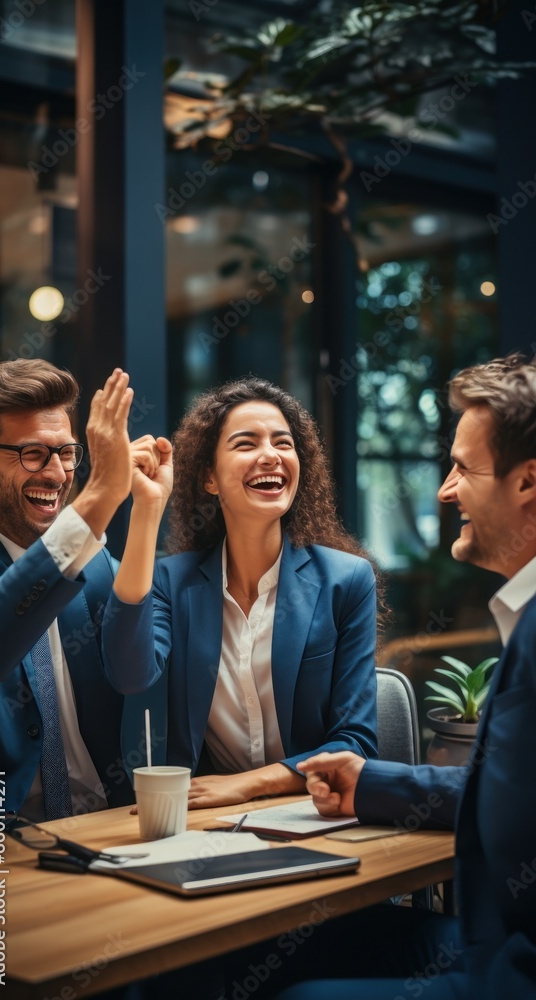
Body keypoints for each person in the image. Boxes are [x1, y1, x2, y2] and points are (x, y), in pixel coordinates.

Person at [274, 353, 536, 999]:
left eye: (462, 468)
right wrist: (372, 785)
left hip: (510, 973)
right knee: (295, 950)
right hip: (491, 944)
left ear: (528, 481)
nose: (446, 490)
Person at [103, 377, 380, 809]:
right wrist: (147, 510)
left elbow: (357, 743)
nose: (270, 455)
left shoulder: (347, 581)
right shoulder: (172, 583)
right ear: (210, 478)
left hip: (314, 813)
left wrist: (249, 784)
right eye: (246, 444)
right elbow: (129, 673)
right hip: (207, 823)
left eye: (283, 443)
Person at [0, 359, 171, 832]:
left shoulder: (97, 560)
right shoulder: (81, 534)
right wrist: (102, 493)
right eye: (32, 454)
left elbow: (135, 673)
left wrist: (146, 509)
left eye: (67, 453)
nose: (59, 474)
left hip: (107, 824)